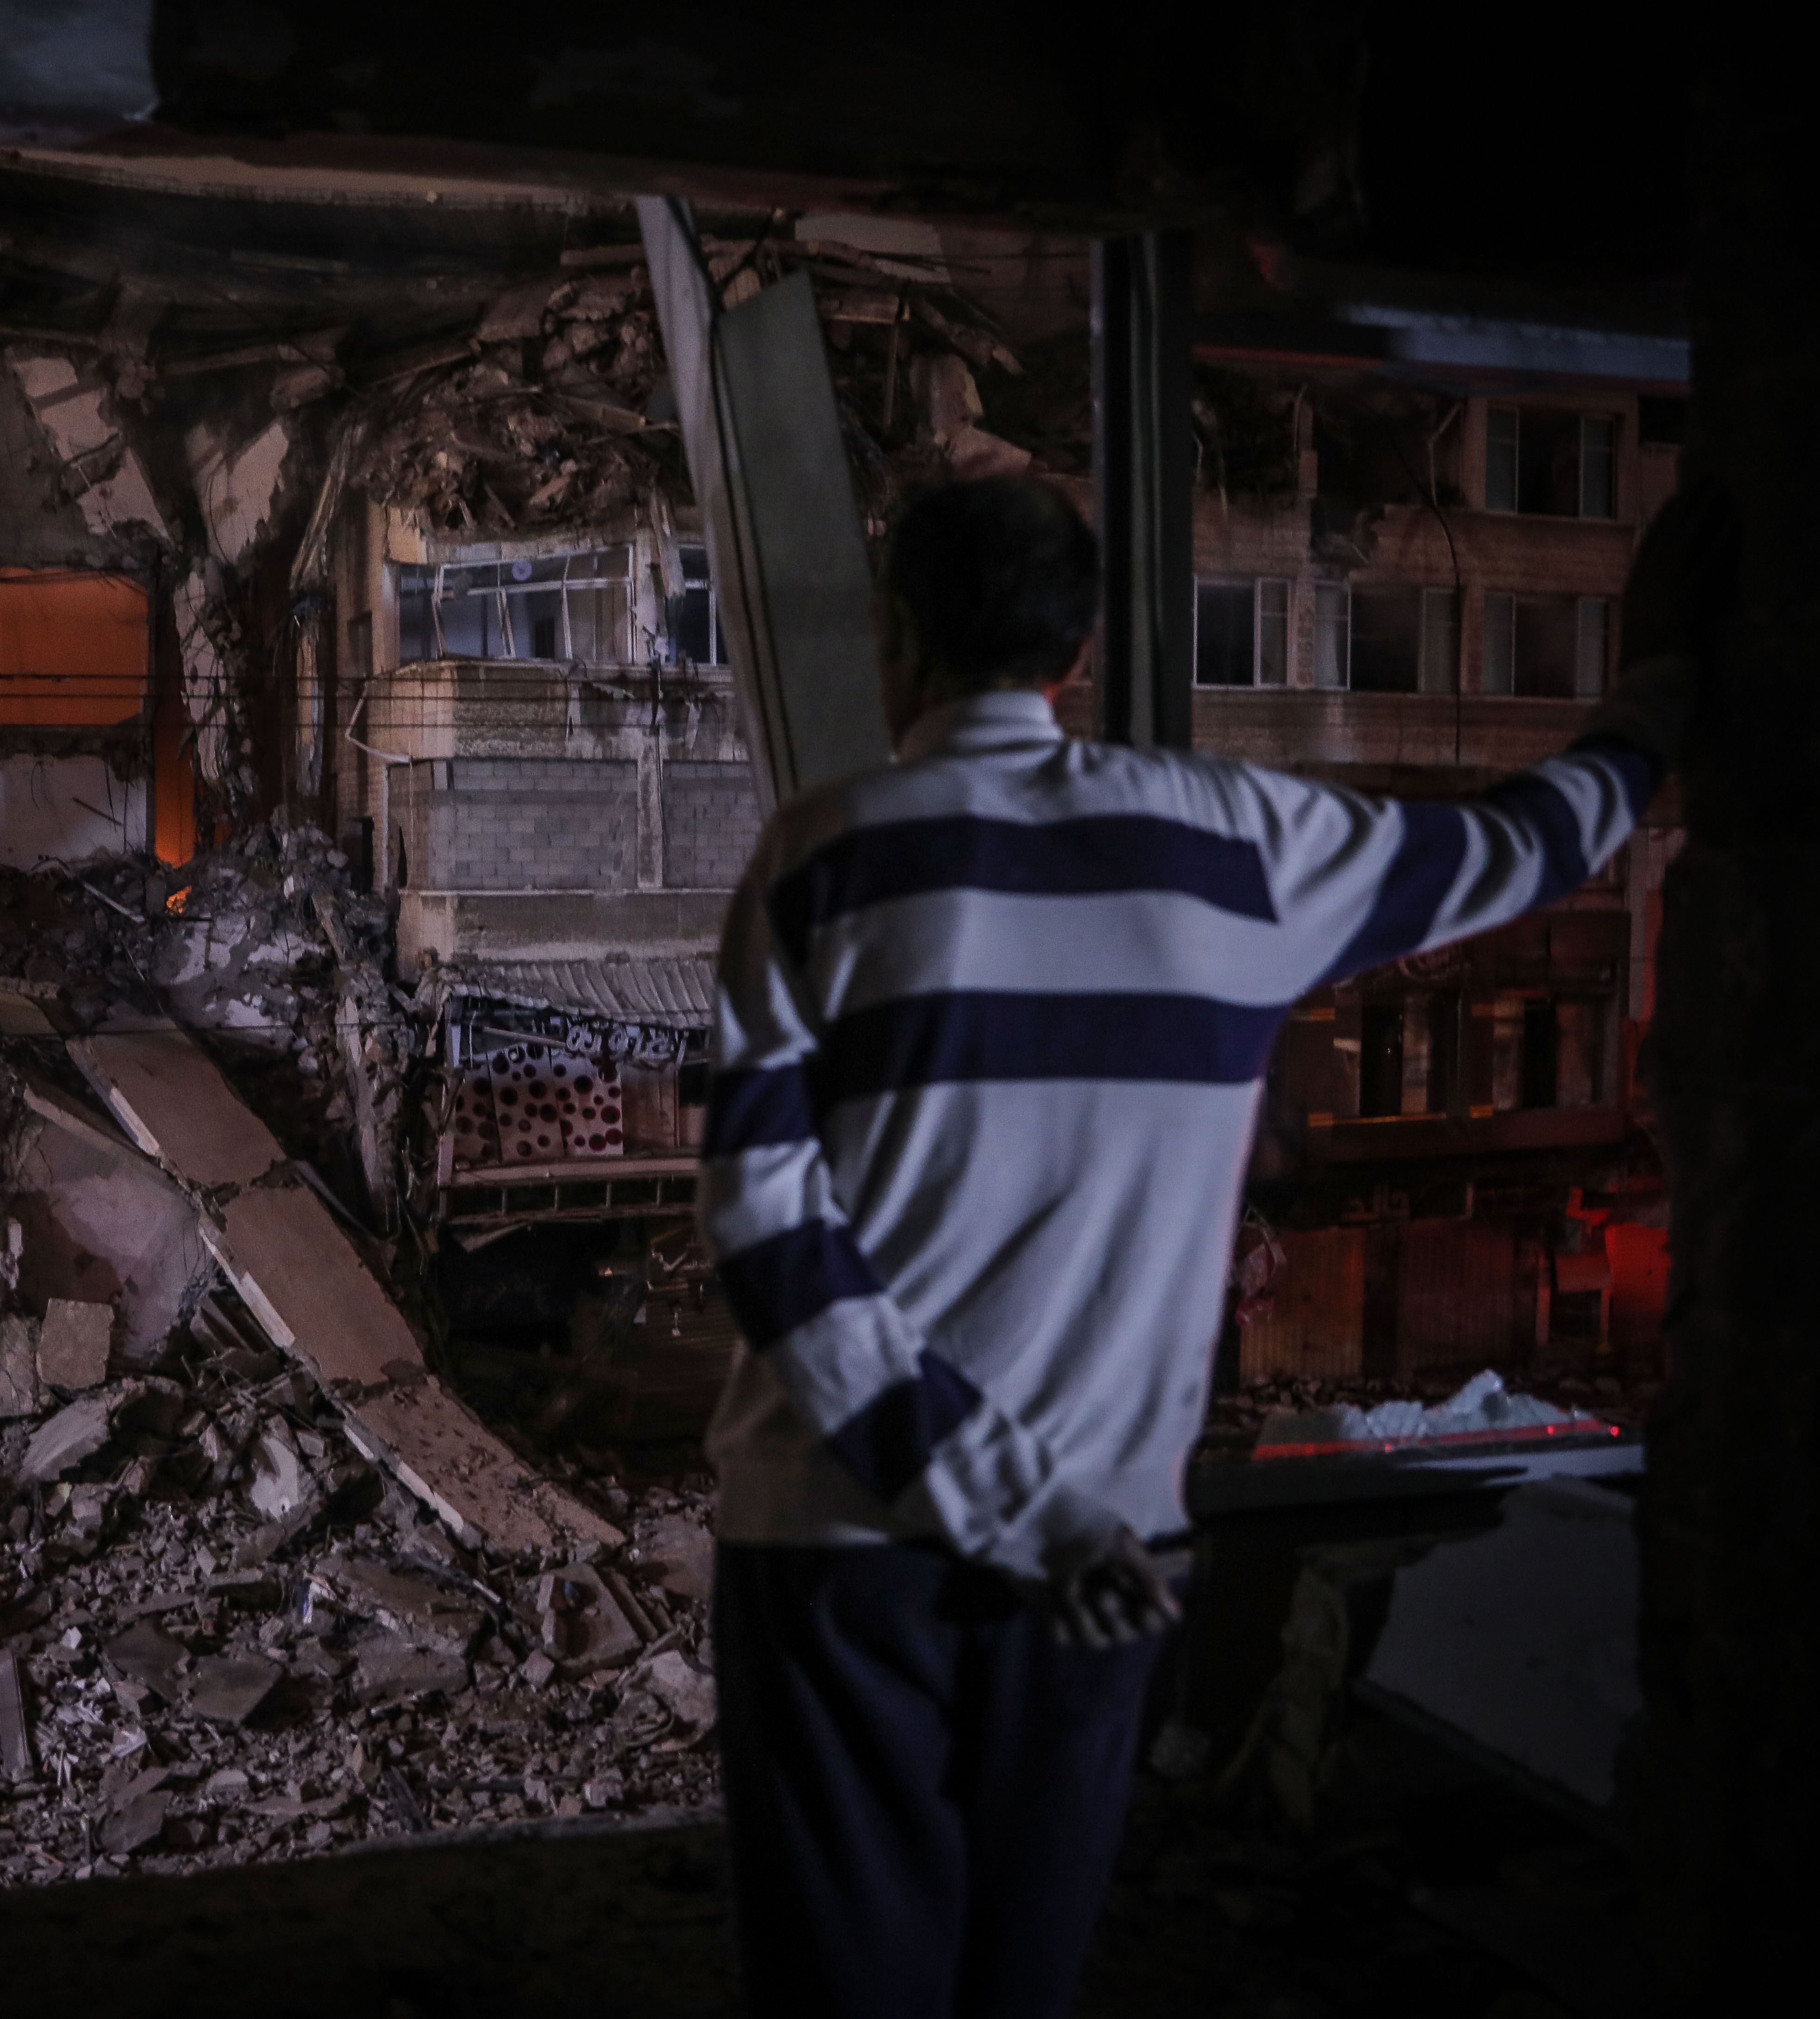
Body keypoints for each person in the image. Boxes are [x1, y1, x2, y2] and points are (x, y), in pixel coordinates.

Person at [699, 474, 1699, 2018]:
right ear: (1079, 654)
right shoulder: (1240, 847)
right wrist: (1648, 700)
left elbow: (765, 1224)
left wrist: (997, 1501)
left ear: (897, 641)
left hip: (843, 1546)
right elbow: (1528, 846)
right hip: (1099, 1561)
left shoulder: (820, 858)